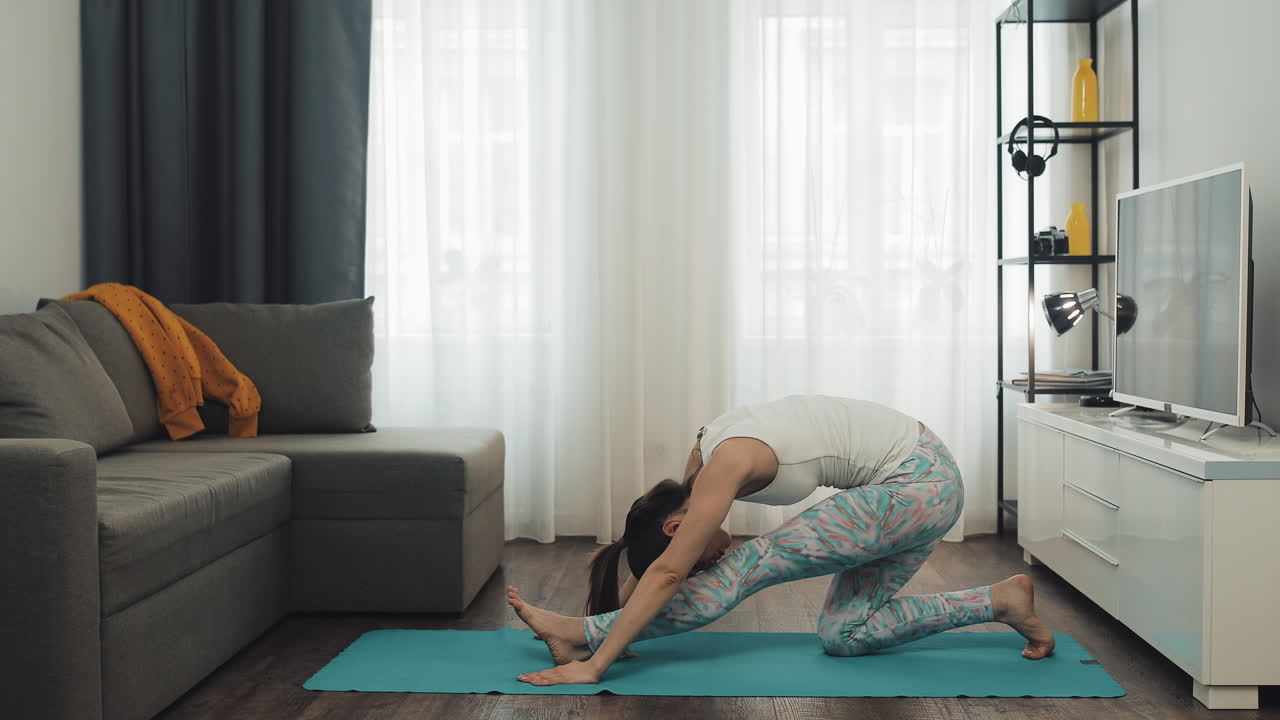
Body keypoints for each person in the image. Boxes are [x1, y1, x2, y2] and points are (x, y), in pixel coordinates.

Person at [507, 395, 1054, 686]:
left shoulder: (722, 468)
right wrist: (621, 620)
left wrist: (596, 658)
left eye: (700, 560)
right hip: (924, 489)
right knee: (845, 634)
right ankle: (1000, 600)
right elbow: (666, 567)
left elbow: (670, 571)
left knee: (749, 565)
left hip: (916, 484)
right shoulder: (698, 470)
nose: (708, 561)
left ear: (676, 526)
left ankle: (579, 636)